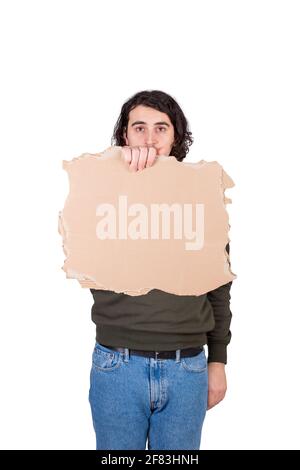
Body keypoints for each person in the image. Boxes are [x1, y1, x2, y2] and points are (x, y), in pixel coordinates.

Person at [88, 90, 233, 450]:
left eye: (160, 129)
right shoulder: (103, 191)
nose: (149, 140)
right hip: (117, 365)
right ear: (125, 136)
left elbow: (218, 287)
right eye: (139, 128)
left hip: (187, 368)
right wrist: (120, 174)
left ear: (175, 137)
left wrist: (218, 361)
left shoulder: (201, 197)